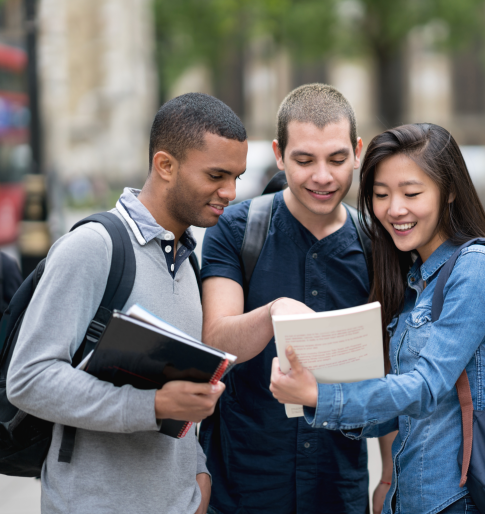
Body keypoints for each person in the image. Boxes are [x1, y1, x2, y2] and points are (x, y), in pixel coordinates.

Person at [6, 92, 244, 513]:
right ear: (165, 166)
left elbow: (182, 397)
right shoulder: (92, 248)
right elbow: (29, 379)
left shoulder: (189, 262)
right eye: (217, 175)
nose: (230, 191)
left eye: (236, 177)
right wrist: (150, 407)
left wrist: (198, 474)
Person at [269, 123, 485, 514]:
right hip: (413, 496)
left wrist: (321, 395)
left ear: (449, 190)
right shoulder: (415, 276)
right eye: (381, 195)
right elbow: (410, 410)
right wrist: (318, 399)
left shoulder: (475, 269)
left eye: (411, 193)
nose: (394, 209)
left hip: (458, 499)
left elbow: (425, 388)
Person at [199, 83, 391, 514]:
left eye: (338, 159)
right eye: (304, 160)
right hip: (245, 485)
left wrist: (389, 477)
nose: (322, 176)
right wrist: (272, 312)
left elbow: (390, 372)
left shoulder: (378, 246)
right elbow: (215, 341)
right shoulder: (235, 230)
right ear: (279, 154)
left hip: (338, 485)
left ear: (358, 152)